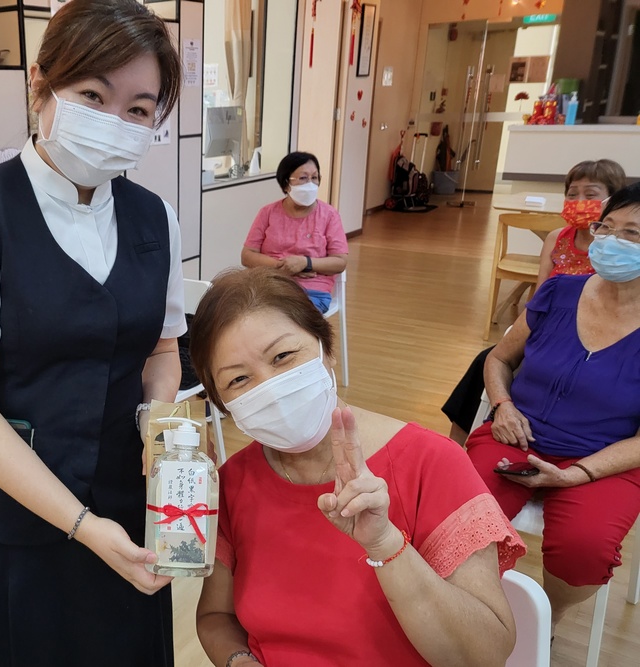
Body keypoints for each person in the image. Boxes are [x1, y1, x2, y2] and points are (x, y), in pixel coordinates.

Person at [0, 1, 184, 664]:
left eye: (140, 109)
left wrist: (160, 416)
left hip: (123, 509)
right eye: (93, 94)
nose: (116, 122)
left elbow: (164, 349)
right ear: (40, 83)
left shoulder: (156, 219)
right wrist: (81, 525)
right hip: (7, 527)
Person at [189, 267, 525, 667]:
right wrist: (239, 660)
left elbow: (483, 656)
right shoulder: (233, 482)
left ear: (326, 347)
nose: (269, 389)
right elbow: (216, 617)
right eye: (240, 379)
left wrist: (386, 544)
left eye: (283, 356)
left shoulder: (432, 464)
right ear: (221, 402)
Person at [466, 181, 640, 634]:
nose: (612, 242)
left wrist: (576, 475)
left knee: (584, 547)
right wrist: (502, 405)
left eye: (633, 234)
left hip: (605, 457)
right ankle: (470, 603)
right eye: (608, 228)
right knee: (462, 513)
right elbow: (500, 358)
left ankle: (549, 618)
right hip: (515, 432)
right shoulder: (560, 291)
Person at [442, 159, 627, 443]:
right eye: (572, 193)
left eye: (591, 195)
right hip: (547, 329)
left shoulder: (616, 254)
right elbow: (539, 296)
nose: (579, 201)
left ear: (613, 201)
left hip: (592, 340)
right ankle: (454, 444)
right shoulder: (556, 239)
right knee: (486, 360)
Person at [241, 151, 348, 313]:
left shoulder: (329, 215)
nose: (310, 184)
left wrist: (306, 263)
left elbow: (340, 262)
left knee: (284, 318)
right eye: (303, 178)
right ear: (286, 184)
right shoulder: (268, 212)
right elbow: (247, 255)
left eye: (315, 177)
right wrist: (283, 267)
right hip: (269, 286)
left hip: (312, 291)